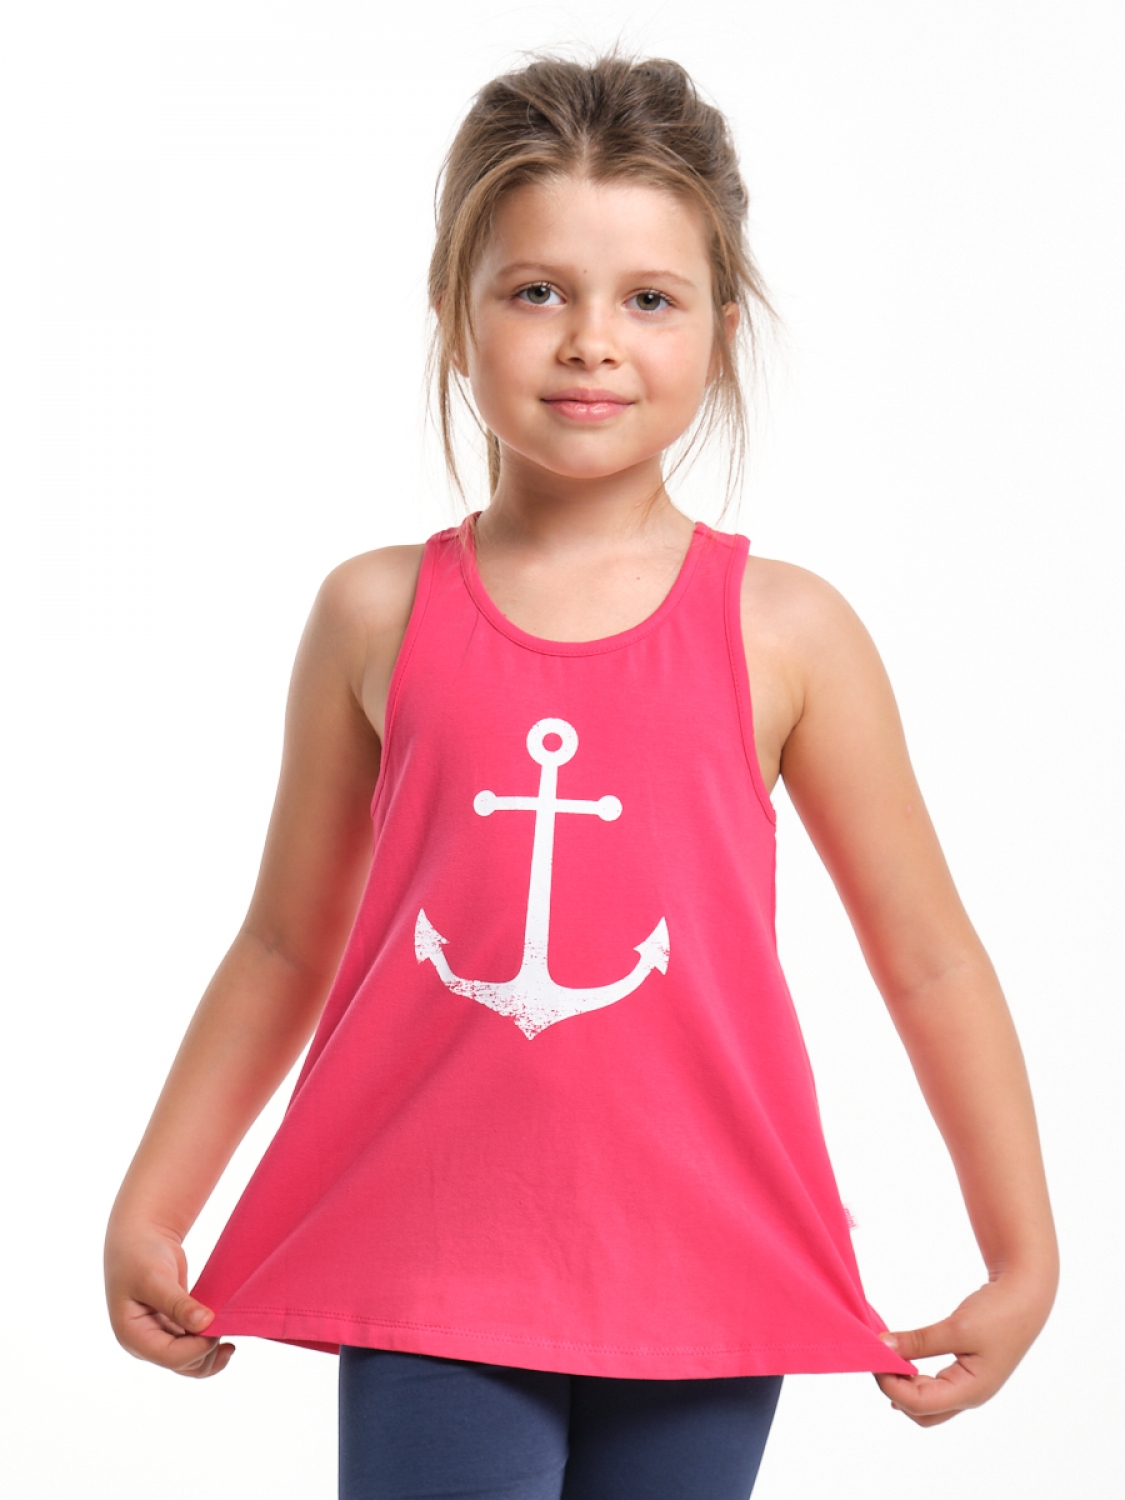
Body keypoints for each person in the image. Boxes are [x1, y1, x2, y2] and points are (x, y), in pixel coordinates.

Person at [104, 53, 1058, 1500]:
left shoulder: (789, 633)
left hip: (708, 1260)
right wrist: (156, 1201)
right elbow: (288, 942)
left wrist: (1020, 1251)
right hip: (432, 1254)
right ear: (454, 316)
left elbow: (925, 958)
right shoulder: (373, 614)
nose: (591, 342)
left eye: (649, 300)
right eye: (537, 290)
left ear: (722, 332)